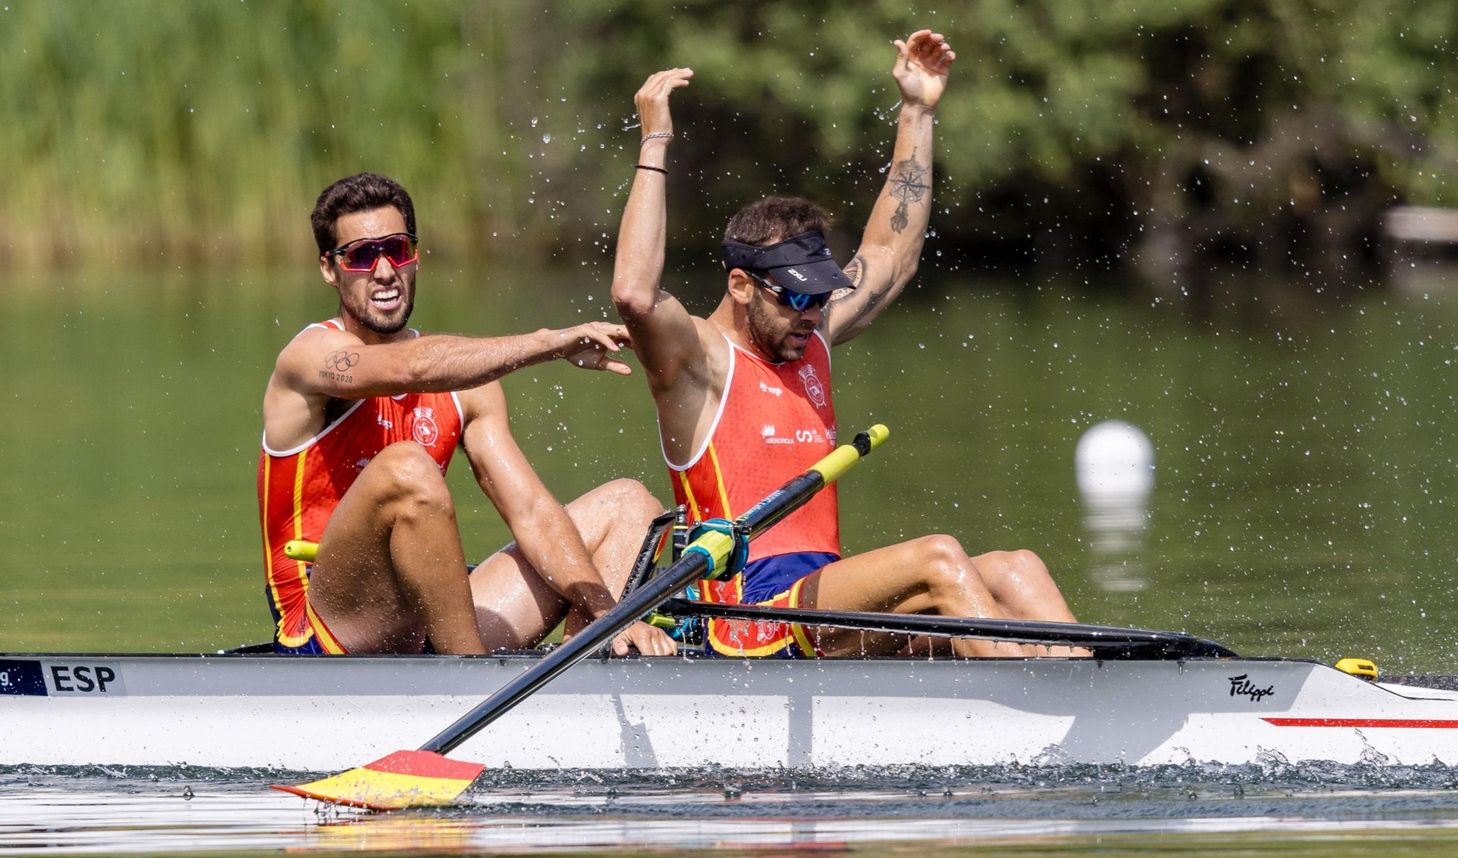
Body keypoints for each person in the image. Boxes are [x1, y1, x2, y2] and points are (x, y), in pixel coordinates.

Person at [610, 32, 1087, 658]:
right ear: (741, 286)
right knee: (939, 556)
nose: (812, 314)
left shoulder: (810, 337)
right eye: (796, 298)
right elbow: (635, 295)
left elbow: (891, 257)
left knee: (1017, 567)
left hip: (819, 603)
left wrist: (917, 111)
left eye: (819, 297)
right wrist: (656, 141)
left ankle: (1090, 684)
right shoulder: (696, 360)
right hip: (744, 617)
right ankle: (1023, 714)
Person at [258, 172, 675, 656]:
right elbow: (409, 368)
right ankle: (469, 679)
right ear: (330, 270)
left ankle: (590, 661)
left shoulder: (469, 389)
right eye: (361, 256)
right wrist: (547, 344)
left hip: (428, 616)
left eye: (397, 249)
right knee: (407, 468)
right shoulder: (308, 359)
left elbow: (533, 513)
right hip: (327, 625)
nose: (385, 270)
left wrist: (608, 610)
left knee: (630, 505)